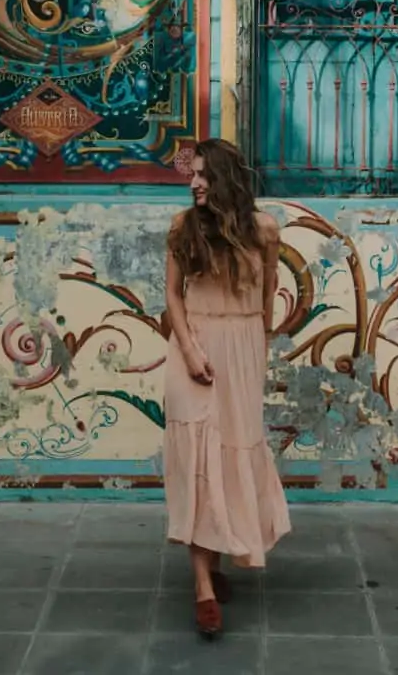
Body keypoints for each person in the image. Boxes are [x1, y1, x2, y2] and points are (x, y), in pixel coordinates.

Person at [164, 138, 291, 639]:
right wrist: (191, 351)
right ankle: (203, 588)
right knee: (197, 457)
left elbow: (266, 299)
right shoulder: (182, 227)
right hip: (193, 343)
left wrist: (257, 353)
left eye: (203, 175)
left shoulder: (264, 230)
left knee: (230, 453)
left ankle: (215, 555)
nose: (194, 183)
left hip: (241, 347)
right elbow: (172, 295)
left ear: (226, 181)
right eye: (192, 175)